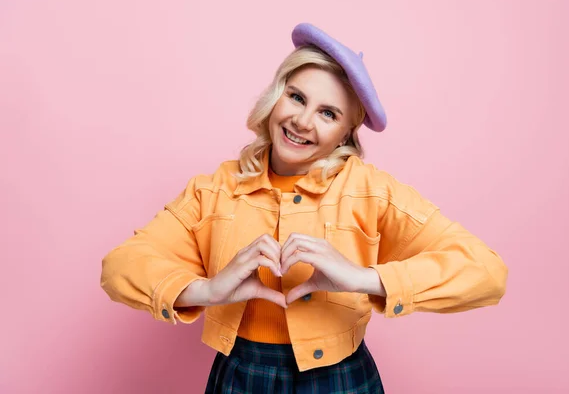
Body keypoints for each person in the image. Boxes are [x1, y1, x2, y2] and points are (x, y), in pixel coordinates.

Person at [101, 23, 508, 393]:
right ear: (276, 96)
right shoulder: (215, 189)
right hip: (239, 377)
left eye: (327, 113)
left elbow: (486, 273)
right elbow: (120, 266)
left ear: (347, 132)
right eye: (296, 97)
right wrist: (206, 291)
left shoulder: (372, 191)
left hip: (341, 379)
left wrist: (362, 278)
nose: (302, 122)